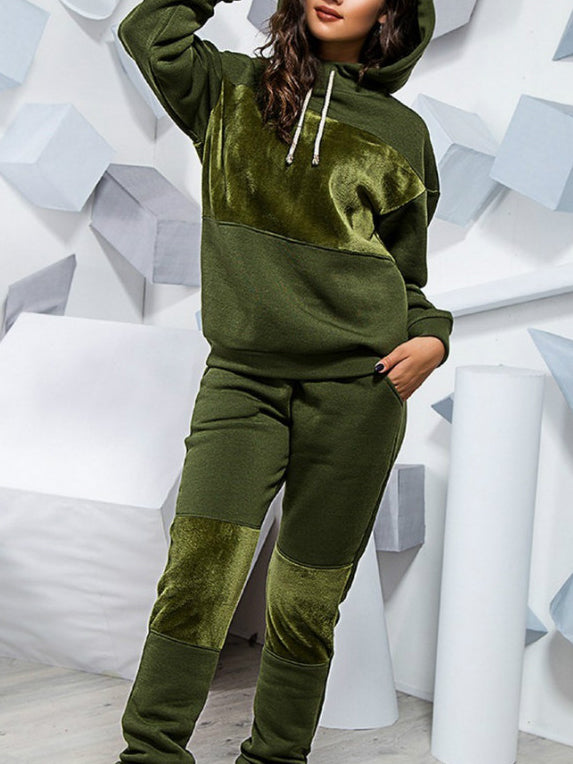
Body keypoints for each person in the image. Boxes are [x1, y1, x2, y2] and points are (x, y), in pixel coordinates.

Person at [114, 0, 453, 761]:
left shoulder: (403, 135)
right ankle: (150, 753)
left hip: (359, 391)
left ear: (391, 13)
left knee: (305, 601)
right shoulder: (226, 90)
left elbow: (405, 278)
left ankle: (274, 758)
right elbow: (147, 33)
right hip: (242, 380)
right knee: (197, 577)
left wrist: (433, 337)